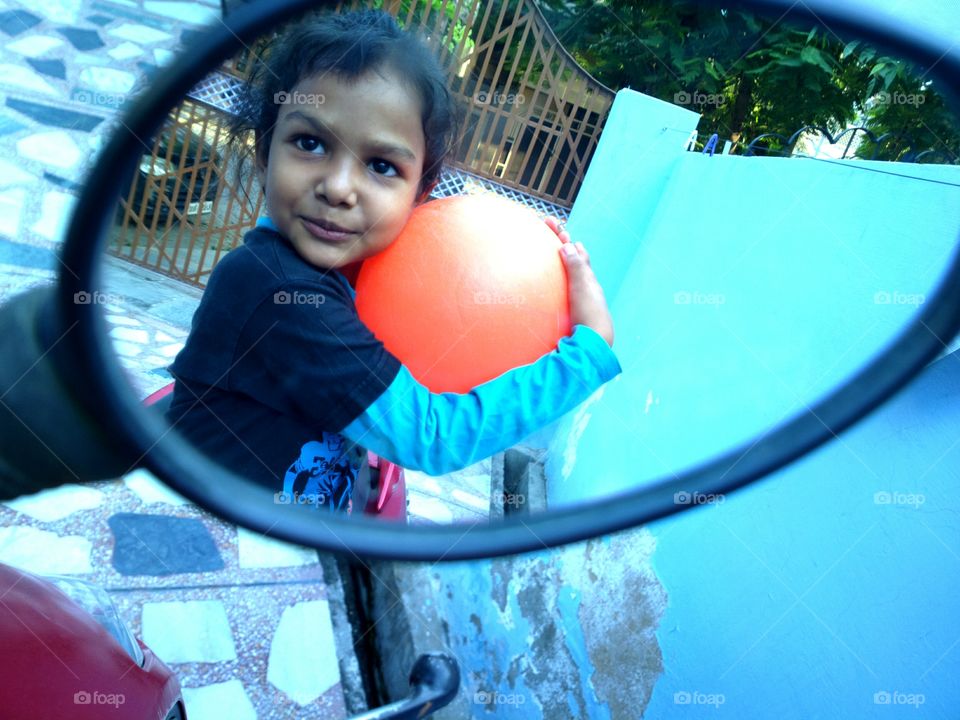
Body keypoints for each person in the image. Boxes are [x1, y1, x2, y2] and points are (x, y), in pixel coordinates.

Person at [166, 9, 619, 513]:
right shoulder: (275, 291)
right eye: (309, 143)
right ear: (263, 150)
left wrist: (532, 254)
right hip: (213, 547)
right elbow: (431, 436)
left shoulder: (342, 275)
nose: (338, 188)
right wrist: (587, 356)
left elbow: (440, 295)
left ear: (418, 196)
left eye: (382, 166)